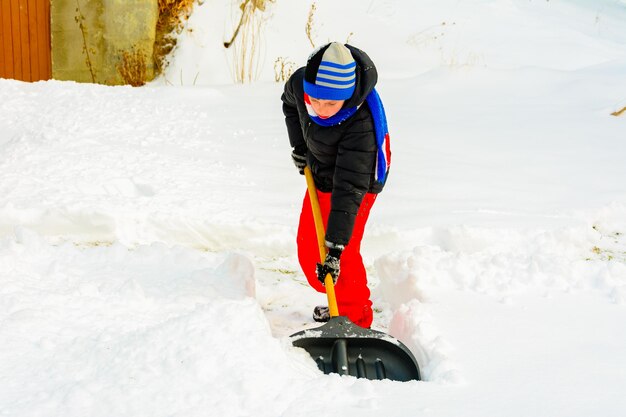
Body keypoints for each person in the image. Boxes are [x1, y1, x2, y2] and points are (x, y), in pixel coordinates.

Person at [281, 42, 391, 329]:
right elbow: (290, 104)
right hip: (321, 171)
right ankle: (336, 301)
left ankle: (354, 319)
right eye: (315, 100)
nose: (321, 109)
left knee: (342, 254)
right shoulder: (301, 85)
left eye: (331, 103)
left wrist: (337, 248)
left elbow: (349, 189)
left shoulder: (360, 125)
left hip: (357, 182)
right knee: (309, 249)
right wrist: (300, 146)